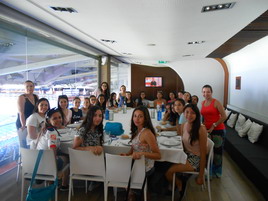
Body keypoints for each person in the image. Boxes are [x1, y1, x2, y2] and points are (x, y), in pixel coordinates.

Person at [165, 104, 208, 200]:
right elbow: (180, 140)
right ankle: (175, 183)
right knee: (164, 164)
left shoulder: (201, 129)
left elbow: (203, 153)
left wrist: (201, 176)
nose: (189, 115)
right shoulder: (184, 125)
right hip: (185, 154)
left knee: (169, 172)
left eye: (192, 113)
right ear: (183, 114)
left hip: (196, 158)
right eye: (187, 112)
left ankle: (179, 184)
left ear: (197, 115)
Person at [34, 108, 69, 191]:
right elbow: (51, 151)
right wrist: (54, 169)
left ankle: (52, 183)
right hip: (45, 167)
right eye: (55, 118)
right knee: (67, 157)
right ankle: (63, 185)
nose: (58, 120)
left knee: (58, 155)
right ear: (49, 120)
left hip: (36, 163)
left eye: (59, 117)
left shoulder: (44, 129)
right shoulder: (52, 132)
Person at [121, 106, 161, 172]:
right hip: (137, 164)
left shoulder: (147, 133)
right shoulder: (137, 130)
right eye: (135, 116)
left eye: (140, 116)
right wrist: (127, 155)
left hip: (144, 169)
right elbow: (134, 148)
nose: (137, 119)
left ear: (145, 118)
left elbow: (158, 155)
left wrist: (141, 154)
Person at [200, 84, 227, 177]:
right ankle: (209, 171)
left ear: (211, 92)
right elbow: (203, 117)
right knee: (208, 151)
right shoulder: (202, 103)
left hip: (218, 130)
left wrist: (213, 125)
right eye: (204, 92)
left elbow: (224, 116)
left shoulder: (216, 102)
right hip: (206, 130)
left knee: (217, 152)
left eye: (208, 92)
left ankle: (217, 172)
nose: (206, 93)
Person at [16, 80, 39, 148]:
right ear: (24, 88)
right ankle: (24, 157)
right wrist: (24, 125)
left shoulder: (36, 97)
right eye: (27, 86)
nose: (29, 88)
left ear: (34, 87)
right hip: (23, 122)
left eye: (31, 86)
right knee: (24, 143)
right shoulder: (22, 97)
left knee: (33, 141)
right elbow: (21, 113)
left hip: (32, 122)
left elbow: (37, 110)